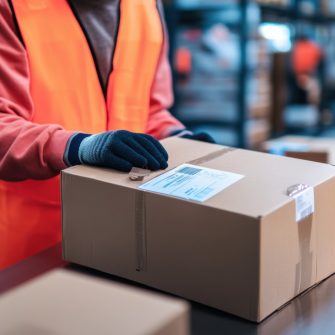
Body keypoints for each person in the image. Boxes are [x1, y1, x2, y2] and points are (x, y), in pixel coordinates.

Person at [0, 0, 214, 270]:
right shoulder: (13, 7)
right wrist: (78, 147)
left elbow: (150, 110)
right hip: (31, 244)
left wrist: (177, 138)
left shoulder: (148, 7)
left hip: (118, 235)